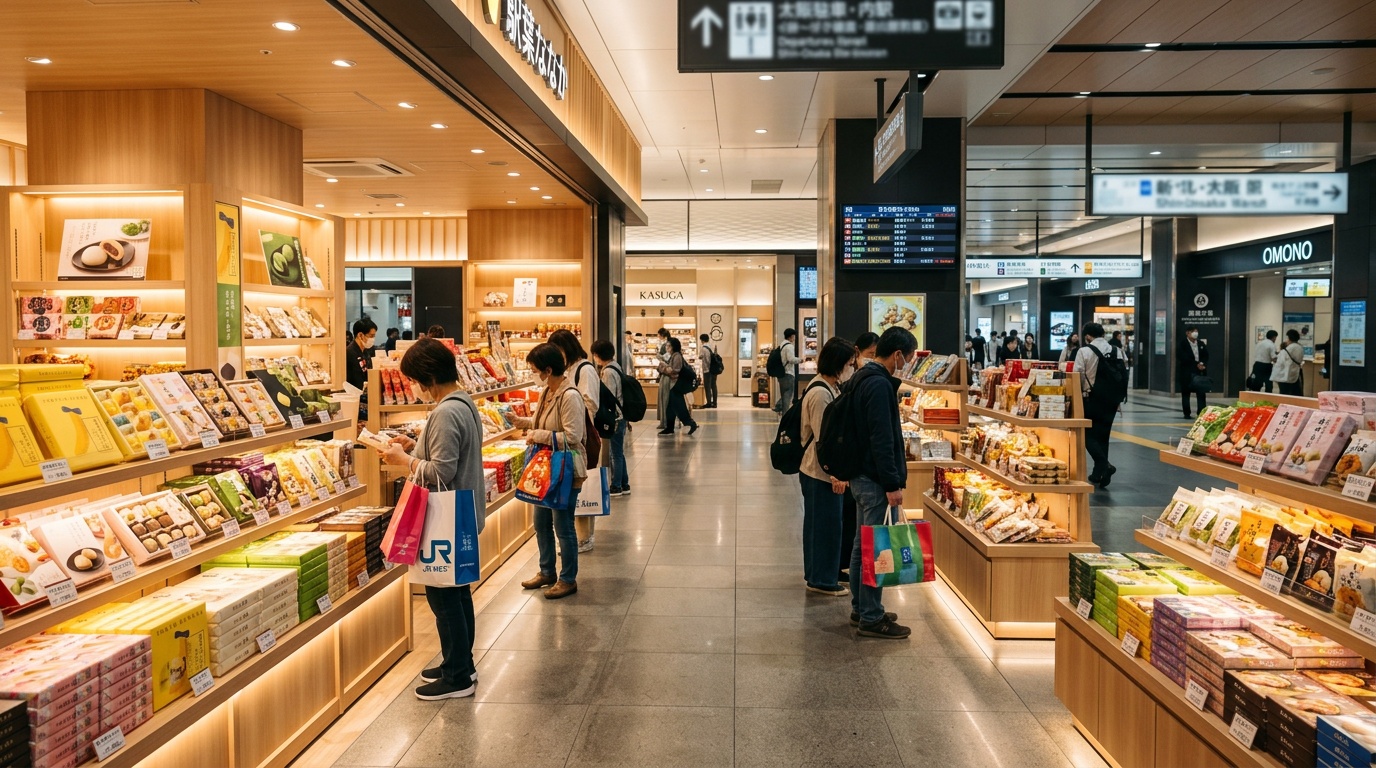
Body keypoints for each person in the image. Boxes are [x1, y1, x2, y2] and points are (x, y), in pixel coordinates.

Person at [377, 338, 485, 700]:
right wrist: (414, 446)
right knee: (457, 593)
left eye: (413, 379)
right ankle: (461, 662)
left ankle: (457, 677)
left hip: (444, 520)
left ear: (428, 377)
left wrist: (403, 460)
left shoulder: (445, 412)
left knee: (443, 598)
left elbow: (441, 470)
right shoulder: (463, 401)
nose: (413, 387)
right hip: (462, 514)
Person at [847, 327, 918, 639]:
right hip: (874, 479)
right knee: (875, 550)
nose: (908, 364)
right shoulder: (878, 384)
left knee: (862, 545)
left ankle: (862, 607)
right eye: (909, 358)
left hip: (860, 475)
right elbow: (882, 438)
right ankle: (872, 617)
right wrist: (892, 483)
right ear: (898, 354)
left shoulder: (862, 377)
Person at [513, 343, 586, 600]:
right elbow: (541, 423)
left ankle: (568, 578)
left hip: (563, 470)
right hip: (544, 469)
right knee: (541, 523)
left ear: (548, 370)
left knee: (563, 526)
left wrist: (537, 435)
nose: (533, 374)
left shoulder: (570, 395)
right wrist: (520, 422)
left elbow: (573, 436)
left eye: (534, 370)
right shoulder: (547, 391)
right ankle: (547, 571)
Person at [800, 337, 856, 597]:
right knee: (823, 527)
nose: (851, 368)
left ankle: (827, 571)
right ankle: (821, 579)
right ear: (838, 364)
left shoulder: (829, 387)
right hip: (819, 472)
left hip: (821, 470)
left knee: (828, 525)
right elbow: (826, 439)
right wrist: (835, 474)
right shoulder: (821, 393)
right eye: (849, 364)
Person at [550, 330, 599, 553]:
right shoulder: (569, 370)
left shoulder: (584, 369)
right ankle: (577, 536)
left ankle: (584, 537)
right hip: (570, 439)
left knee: (583, 487)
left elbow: (590, 403)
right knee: (573, 488)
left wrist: (573, 421)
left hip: (581, 438)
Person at [1075, 323, 1122, 488]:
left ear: (1088, 336)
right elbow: (1122, 375)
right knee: (1103, 436)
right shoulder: (1117, 351)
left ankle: (1104, 465)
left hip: (1091, 398)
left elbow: (1078, 376)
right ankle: (1098, 474)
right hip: (1112, 400)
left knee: (1086, 434)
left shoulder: (1084, 351)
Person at [591, 340, 630, 496]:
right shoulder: (616, 366)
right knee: (618, 451)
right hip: (621, 415)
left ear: (598, 355)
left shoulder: (607, 372)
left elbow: (609, 396)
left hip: (615, 417)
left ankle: (616, 485)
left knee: (616, 453)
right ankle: (624, 483)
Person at [658, 337, 699, 436]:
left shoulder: (677, 356)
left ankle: (691, 423)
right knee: (670, 408)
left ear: (673, 347)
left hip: (676, 385)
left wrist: (663, 368)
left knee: (679, 407)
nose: (667, 348)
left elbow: (675, 370)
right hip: (674, 385)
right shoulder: (674, 355)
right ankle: (669, 428)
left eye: (669, 346)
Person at [346, 318, 377, 421]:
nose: (373, 339)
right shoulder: (350, 353)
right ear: (360, 335)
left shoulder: (366, 351)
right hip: (355, 400)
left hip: (365, 398)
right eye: (371, 336)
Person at [1176, 325, 1209, 419]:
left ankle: (1201, 412)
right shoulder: (1182, 344)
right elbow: (1182, 357)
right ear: (1188, 333)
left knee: (1201, 392)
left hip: (1200, 371)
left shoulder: (1201, 343)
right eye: (1193, 331)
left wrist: (1202, 363)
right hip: (1187, 372)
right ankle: (1187, 413)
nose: (1196, 333)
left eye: (1196, 331)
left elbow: (1206, 355)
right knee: (1186, 393)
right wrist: (1196, 364)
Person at [771, 329, 799, 414]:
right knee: (788, 395)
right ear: (791, 336)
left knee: (784, 393)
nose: (794, 338)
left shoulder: (782, 345)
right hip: (788, 373)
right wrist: (800, 360)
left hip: (781, 374)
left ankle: (779, 406)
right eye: (794, 336)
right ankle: (785, 414)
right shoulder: (789, 346)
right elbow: (791, 359)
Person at [1271, 329, 1305, 396]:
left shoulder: (1289, 348)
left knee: (1285, 393)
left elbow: (1280, 362)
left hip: (1286, 375)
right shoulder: (1300, 347)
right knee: (1295, 392)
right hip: (1295, 373)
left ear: (1289, 338)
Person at [655, 328, 672, 431]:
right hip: (670, 376)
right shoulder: (671, 345)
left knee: (663, 399)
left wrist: (659, 357)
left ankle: (664, 421)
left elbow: (664, 359)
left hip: (665, 375)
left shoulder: (664, 346)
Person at [698, 333, 718, 408]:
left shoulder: (703, 348)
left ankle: (709, 402)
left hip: (707, 369)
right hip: (714, 369)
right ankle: (715, 403)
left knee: (707, 386)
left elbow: (700, 357)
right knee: (714, 386)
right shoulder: (712, 346)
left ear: (702, 340)